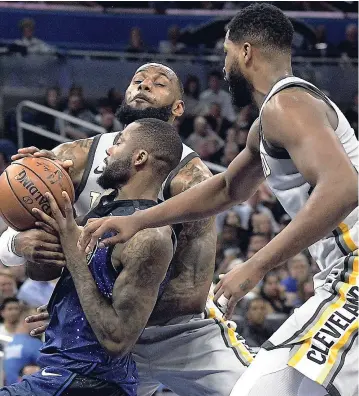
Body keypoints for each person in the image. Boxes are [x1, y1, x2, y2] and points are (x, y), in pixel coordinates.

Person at [79, 5, 358, 396]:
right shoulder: (272, 119)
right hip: (340, 274)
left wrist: (256, 265)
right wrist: (140, 221)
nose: (224, 66)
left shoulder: (287, 104)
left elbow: (344, 188)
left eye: (226, 55)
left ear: (245, 52)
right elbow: (227, 188)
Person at [1, 63, 252, 395]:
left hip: (171, 333)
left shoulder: (191, 181)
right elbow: (29, 256)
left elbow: (191, 290)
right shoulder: (74, 158)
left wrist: (92, 308)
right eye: (138, 81)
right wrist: (19, 244)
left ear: (179, 107)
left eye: (158, 84)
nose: (144, 86)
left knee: (255, 388)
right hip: (105, 340)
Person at [1, 118, 181, 395]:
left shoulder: (151, 236)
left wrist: (73, 253)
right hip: (61, 373)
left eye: (118, 143)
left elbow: (117, 340)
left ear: (140, 157)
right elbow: (41, 272)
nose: (108, 151)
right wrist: (44, 195)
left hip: (89, 381)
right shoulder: (100, 214)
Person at [4, 307, 43, 386]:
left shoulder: (9, 344)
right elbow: (53, 366)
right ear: (26, 321)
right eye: (36, 320)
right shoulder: (33, 344)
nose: (41, 324)